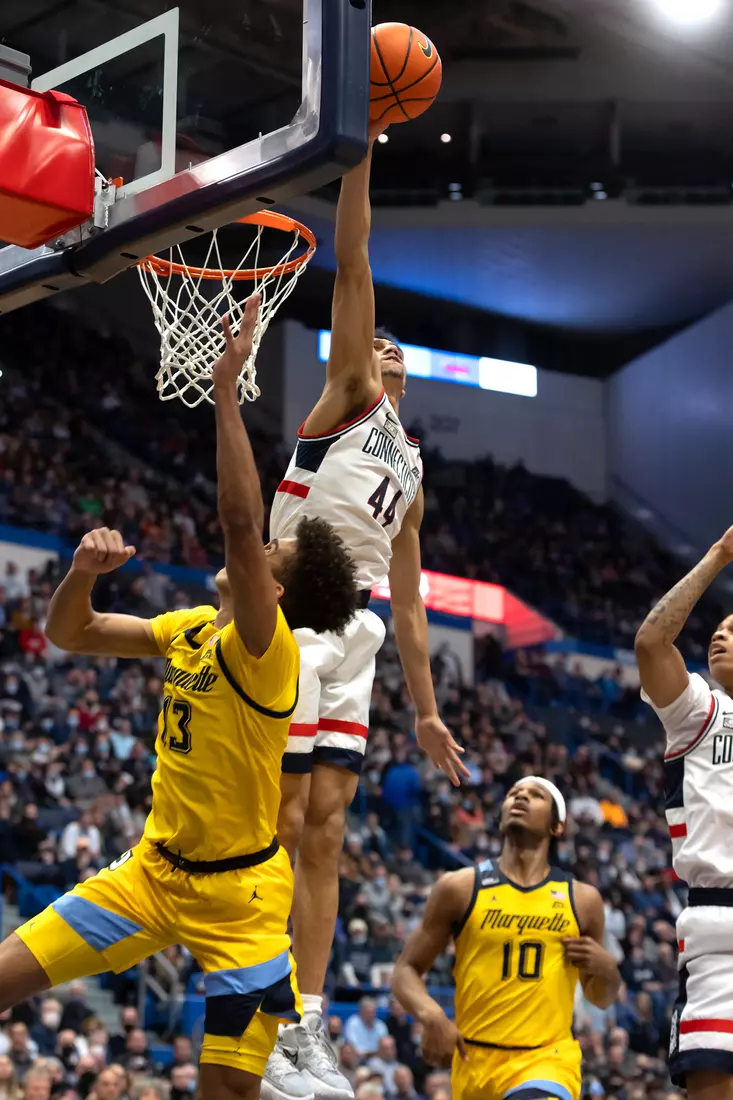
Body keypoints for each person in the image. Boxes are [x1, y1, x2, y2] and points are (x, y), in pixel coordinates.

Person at [0, 296, 359, 1100]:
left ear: (275, 588)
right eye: (268, 539)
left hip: (242, 902)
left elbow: (237, 518)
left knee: (224, 1094)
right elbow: (75, 634)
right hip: (152, 874)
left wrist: (227, 390)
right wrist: (80, 575)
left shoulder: (266, 656)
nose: (260, 544)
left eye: (274, 551)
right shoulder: (193, 626)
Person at [264, 128, 467, 1100]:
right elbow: (357, 258)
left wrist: (424, 707)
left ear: (406, 375)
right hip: (295, 609)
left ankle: (304, 1024)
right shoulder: (345, 394)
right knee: (287, 810)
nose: (380, 344)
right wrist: (357, 143)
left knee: (330, 828)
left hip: (361, 633)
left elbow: (416, 595)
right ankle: (258, 1002)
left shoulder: (413, 467)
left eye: (391, 347)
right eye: (373, 336)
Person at [392, 777, 620, 1100]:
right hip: (475, 1063)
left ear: (557, 826)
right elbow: (405, 970)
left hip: (547, 1059)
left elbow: (600, 997)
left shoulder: (582, 900)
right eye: (514, 793)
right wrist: (432, 1016)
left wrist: (608, 969)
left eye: (536, 795)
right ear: (500, 818)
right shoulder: (459, 887)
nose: (521, 797)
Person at [634, 524, 733, 1099]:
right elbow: (651, 643)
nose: (718, 637)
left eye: (732, 631)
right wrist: (719, 554)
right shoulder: (700, 710)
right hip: (719, 929)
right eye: (716, 631)